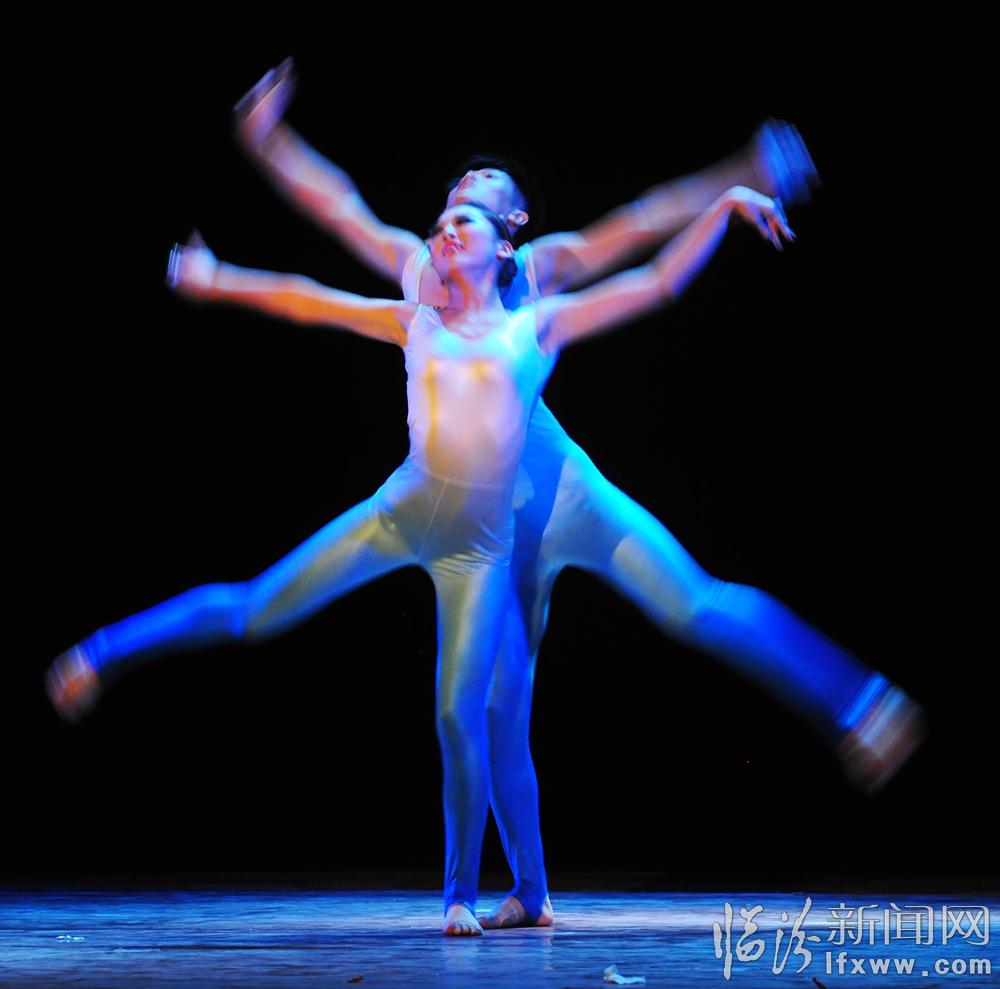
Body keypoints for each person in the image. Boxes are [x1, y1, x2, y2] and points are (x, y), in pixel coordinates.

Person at [48, 187, 798, 935]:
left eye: (462, 221)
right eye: (439, 224)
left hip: (477, 552)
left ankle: (459, 896)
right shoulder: (417, 322)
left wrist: (725, 205)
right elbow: (305, 300)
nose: (445, 230)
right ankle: (100, 653)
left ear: (503, 247)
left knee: (456, 711)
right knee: (256, 609)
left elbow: (656, 281)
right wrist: (217, 279)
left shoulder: (537, 327)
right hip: (398, 515)